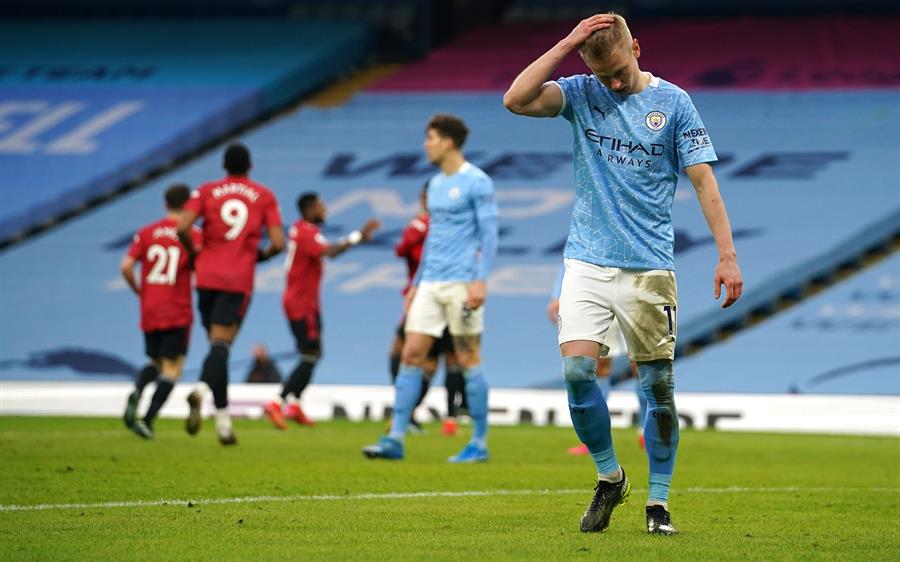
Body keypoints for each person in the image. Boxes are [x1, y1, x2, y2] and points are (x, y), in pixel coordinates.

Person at [503, 13, 743, 535]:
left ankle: (658, 504)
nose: (613, 83)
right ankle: (610, 477)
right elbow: (515, 99)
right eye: (602, 73)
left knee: (658, 388)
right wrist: (568, 44)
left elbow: (704, 182)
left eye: (619, 70)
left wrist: (726, 255)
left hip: (648, 267)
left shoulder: (675, 104)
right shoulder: (581, 92)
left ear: (637, 46)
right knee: (576, 374)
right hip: (586, 261)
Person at [363, 114, 499, 462]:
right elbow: (433, 240)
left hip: (463, 283)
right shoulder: (436, 185)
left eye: (431, 138)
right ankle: (395, 437)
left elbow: (489, 234)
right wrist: (416, 283)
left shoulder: (477, 182)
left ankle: (479, 443)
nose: (426, 144)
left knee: (468, 358)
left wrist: (481, 280)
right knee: (410, 355)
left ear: (448, 142)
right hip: (430, 283)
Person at [177, 143, 284, 445]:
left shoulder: (206, 190)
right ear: (249, 166)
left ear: (224, 166)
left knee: (217, 349)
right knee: (221, 348)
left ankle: (223, 424)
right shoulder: (263, 195)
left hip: (206, 277)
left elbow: (182, 226)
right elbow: (277, 242)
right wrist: (257, 257)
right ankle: (200, 390)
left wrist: (196, 253)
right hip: (236, 279)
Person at [262, 192, 380, 429]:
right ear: (308, 209)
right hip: (301, 303)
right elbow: (330, 253)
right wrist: (357, 236)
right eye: (320, 206)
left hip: (305, 302)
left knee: (313, 353)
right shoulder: (306, 232)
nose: (324, 210)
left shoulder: (302, 230)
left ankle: (294, 404)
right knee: (310, 353)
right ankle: (278, 402)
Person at [121, 184, 201, 439]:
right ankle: (147, 419)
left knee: (155, 362)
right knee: (172, 369)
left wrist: (139, 291)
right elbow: (200, 268)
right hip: (176, 308)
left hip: (150, 306)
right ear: (189, 206)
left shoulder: (146, 232)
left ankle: (137, 390)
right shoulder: (193, 234)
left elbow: (126, 266)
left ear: (166, 204)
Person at [390, 184, 466, 436]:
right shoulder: (436, 225)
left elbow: (403, 247)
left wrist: (421, 227)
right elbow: (405, 251)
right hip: (426, 296)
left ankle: (443, 416)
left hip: (435, 298)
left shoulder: (434, 225)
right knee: (429, 361)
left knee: (437, 358)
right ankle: (414, 413)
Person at [547, 264, 645, 456]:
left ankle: (647, 431)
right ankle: (595, 437)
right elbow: (573, 252)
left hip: (634, 291)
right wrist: (558, 293)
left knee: (642, 364)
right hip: (600, 293)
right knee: (599, 366)